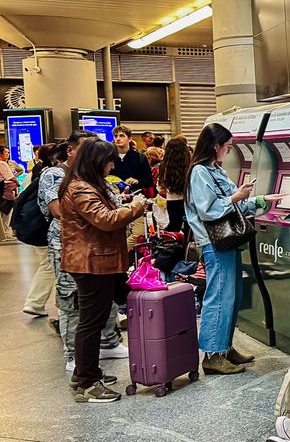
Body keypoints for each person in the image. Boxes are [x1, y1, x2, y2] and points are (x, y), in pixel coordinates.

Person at [186, 123, 283, 375]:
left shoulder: (214, 170)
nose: (229, 152)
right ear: (215, 146)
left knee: (232, 294)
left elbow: (234, 201)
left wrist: (261, 200)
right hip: (213, 243)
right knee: (219, 296)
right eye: (227, 147)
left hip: (226, 242)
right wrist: (236, 197)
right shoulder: (199, 172)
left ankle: (224, 347)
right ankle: (212, 356)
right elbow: (209, 210)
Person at [59, 138, 149, 402]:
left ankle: (85, 373)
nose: (112, 165)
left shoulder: (83, 184)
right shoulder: (81, 188)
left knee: (93, 320)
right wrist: (135, 207)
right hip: (92, 264)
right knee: (91, 322)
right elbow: (105, 220)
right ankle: (87, 383)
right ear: (97, 161)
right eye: (109, 160)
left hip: (99, 261)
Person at [21, 143, 60, 317]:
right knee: (51, 266)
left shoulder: (35, 173)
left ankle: (35, 302)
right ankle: (36, 302)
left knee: (47, 264)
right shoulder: (52, 175)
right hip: (45, 228)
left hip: (34, 227)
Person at [157, 137, 190, 233]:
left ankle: (173, 246)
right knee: (189, 230)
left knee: (173, 229)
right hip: (188, 201)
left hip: (172, 201)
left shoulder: (164, 167)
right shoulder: (190, 165)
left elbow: (160, 188)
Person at [0, 146, 17, 241]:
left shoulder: (9, 163)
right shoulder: (2, 164)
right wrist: (17, 183)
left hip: (4, 191)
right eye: (6, 152)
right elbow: (10, 177)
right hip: (6, 192)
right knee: (6, 212)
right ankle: (6, 233)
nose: (7, 154)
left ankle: (5, 233)